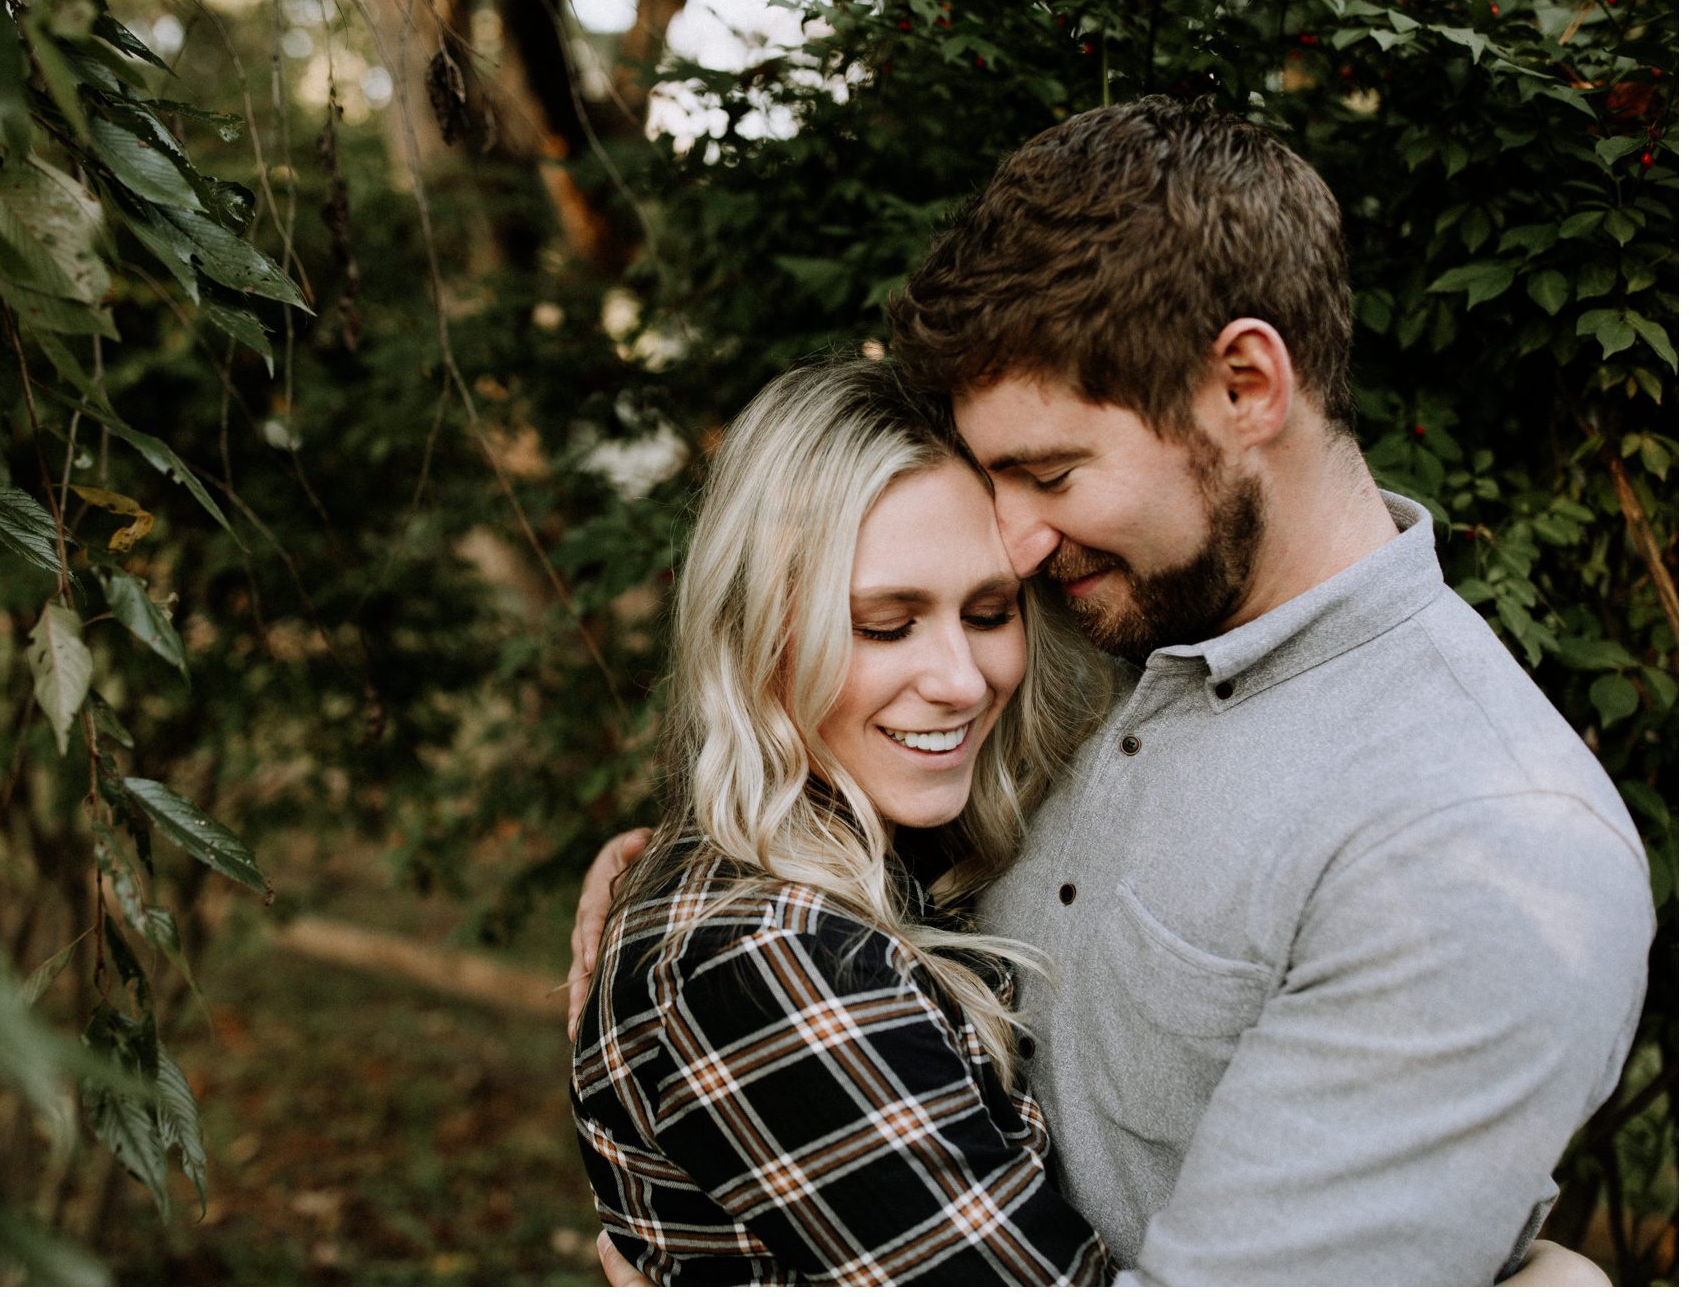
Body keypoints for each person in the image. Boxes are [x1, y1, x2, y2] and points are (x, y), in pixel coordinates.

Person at [569, 96, 1651, 1285]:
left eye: (1049, 473)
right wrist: (690, 881)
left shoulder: (1480, 837)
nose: (1015, 545)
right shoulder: (1106, 637)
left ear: (1244, 385)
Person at [570, 358, 1120, 1283]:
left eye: (990, 612)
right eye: (885, 625)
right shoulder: (776, 961)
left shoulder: (875, 857)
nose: (962, 680)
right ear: (757, 634)